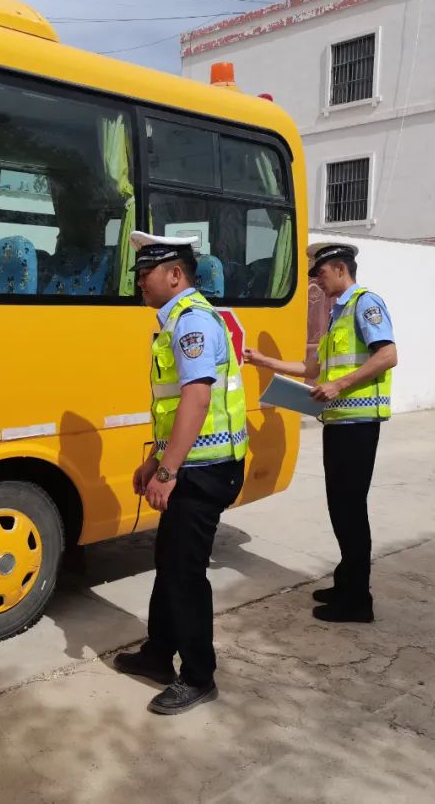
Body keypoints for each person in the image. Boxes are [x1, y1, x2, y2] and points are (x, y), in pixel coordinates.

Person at [112, 231, 247, 715]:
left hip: (204, 471)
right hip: (190, 463)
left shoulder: (192, 323)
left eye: (144, 274)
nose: (138, 283)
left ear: (175, 275)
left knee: (186, 575)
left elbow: (197, 399)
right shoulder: (177, 322)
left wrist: (166, 472)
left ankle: (198, 676)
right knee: (169, 564)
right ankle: (156, 654)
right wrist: (156, 458)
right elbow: (174, 411)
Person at [244, 242, 396, 624]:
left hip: (358, 426)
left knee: (350, 510)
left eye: (321, 274)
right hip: (338, 424)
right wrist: (263, 361)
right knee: (340, 508)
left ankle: (358, 600)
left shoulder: (365, 303)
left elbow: (388, 354)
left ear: (341, 269)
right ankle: (346, 583)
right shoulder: (337, 313)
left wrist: (340, 385)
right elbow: (311, 370)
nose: (317, 281)